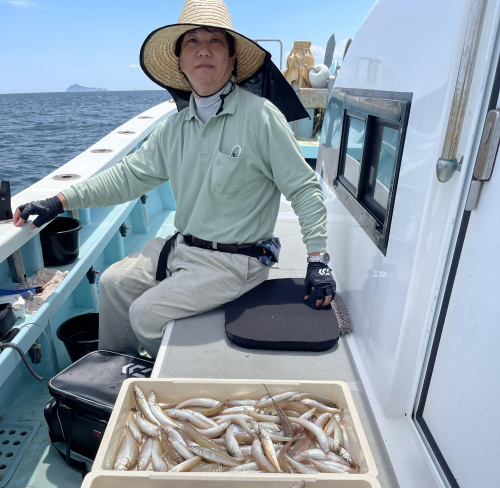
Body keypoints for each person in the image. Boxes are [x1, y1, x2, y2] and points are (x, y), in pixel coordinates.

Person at [13, 0, 336, 358]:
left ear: (232, 60)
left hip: (236, 261)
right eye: (192, 42)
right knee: (112, 284)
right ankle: (116, 377)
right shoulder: (175, 126)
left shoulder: (262, 117)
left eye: (215, 41)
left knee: (145, 315)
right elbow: (128, 176)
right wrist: (59, 201)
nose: (203, 50)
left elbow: (304, 188)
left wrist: (317, 259)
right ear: (180, 62)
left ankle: (166, 387)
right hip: (182, 247)